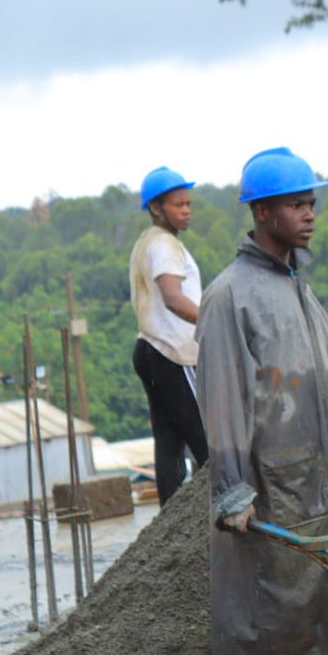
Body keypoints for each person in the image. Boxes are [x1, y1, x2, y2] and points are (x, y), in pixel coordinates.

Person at [195, 148, 328, 655]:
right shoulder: (230, 297)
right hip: (267, 497)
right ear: (262, 212)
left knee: (318, 624)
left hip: (315, 488)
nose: (310, 215)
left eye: (312, 204)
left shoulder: (299, 292)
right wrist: (231, 491)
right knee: (272, 633)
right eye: (296, 206)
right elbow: (221, 401)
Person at [129, 165, 209, 506]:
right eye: (178, 204)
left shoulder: (149, 242)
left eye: (188, 203)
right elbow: (173, 298)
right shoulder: (163, 245)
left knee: (169, 442)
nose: (186, 210)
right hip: (171, 354)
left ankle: (171, 515)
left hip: (150, 350)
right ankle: (217, 511)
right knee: (205, 441)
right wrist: (214, 322)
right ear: (156, 208)